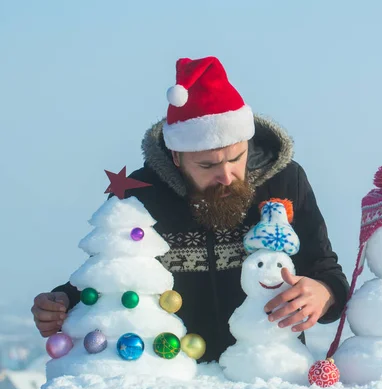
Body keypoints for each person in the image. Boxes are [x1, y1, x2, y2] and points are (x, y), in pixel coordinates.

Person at [30, 56, 350, 362]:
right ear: (177, 157)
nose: (226, 176)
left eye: (236, 158)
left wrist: (322, 294)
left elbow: (327, 272)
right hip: (173, 374)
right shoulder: (141, 196)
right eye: (208, 164)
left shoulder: (284, 181)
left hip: (267, 372)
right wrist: (63, 302)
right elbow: (109, 275)